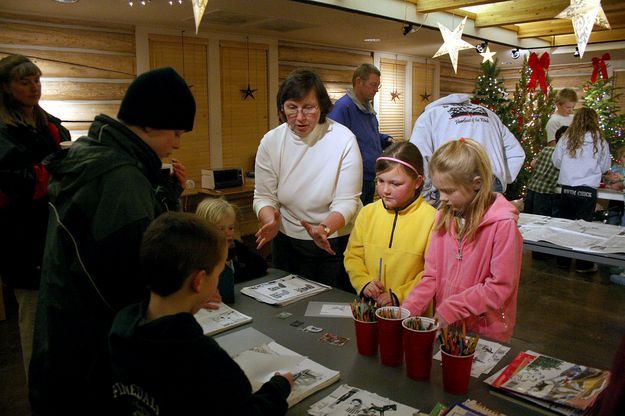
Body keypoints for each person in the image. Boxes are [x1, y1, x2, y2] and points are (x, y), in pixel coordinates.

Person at [29, 67, 196, 414]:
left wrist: (165, 189)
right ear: (150, 123)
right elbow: (133, 274)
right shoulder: (120, 177)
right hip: (91, 357)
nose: (178, 143)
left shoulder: (96, 154)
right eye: (176, 132)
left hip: (64, 344)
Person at [108, 212, 292, 415]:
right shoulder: (203, 359)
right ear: (198, 281)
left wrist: (193, 298)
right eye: (218, 273)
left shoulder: (121, 327)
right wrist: (278, 388)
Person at [402, 138, 523, 342]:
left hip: (485, 332)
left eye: (449, 191)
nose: (442, 198)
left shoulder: (503, 226)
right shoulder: (443, 216)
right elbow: (432, 275)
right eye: (439, 190)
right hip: (449, 325)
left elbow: (500, 286)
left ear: (476, 184)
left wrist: (452, 308)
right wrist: (407, 310)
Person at [254, 68, 362, 290]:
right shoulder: (271, 141)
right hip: (287, 241)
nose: (300, 117)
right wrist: (270, 220)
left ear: (321, 106)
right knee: (287, 310)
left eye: (308, 108)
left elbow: (347, 201)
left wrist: (323, 229)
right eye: (292, 108)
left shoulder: (343, 139)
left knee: (329, 308)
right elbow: (264, 196)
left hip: (333, 241)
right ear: (282, 109)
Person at [0, 55, 71, 377]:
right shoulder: (4, 132)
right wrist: (55, 172)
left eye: (36, 80)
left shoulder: (51, 125)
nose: (33, 87)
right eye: (24, 81)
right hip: (24, 245)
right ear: (6, 87)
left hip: (58, 237)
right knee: (34, 327)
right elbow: (18, 184)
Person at [344, 142, 436, 307]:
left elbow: (432, 273)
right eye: (380, 181)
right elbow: (353, 255)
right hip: (370, 307)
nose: (385, 190)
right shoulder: (367, 213)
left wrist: (399, 295)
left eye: (395, 184)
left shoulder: (432, 219)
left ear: (417, 182)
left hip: (412, 312)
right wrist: (364, 282)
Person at [409, 93, 525, 202]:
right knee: (491, 222)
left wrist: (427, 193)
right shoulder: (489, 113)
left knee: (455, 223)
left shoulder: (429, 116)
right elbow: (516, 152)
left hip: (451, 184)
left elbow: (417, 156)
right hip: (490, 181)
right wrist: (502, 179)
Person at [552, 107, 610, 273]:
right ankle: (583, 265)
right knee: (584, 229)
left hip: (567, 187)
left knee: (564, 226)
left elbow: (556, 161)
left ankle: (563, 261)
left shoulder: (566, 138)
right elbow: (605, 166)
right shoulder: (600, 141)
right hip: (587, 190)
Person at [328, 63, 392, 205]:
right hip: (354, 178)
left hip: (370, 177)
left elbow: (368, 135)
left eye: (378, 86)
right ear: (359, 82)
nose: (376, 90)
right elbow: (333, 142)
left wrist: (384, 139)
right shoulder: (343, 107)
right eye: (373, 85)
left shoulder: (366, 107)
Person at [196, 197, 268, 303]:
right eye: (221, 229)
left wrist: (234, 277)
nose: (228, 233)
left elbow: (261, 265)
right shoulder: (199, 256)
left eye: (231, 228)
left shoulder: (234, 246)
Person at [524, 126, 568, 218]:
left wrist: (541, 170)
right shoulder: (564, 156)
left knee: (528, 216)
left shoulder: (546, 149)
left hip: (532, 188)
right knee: (540, 220)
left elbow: (533, 164)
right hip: (546, 192)